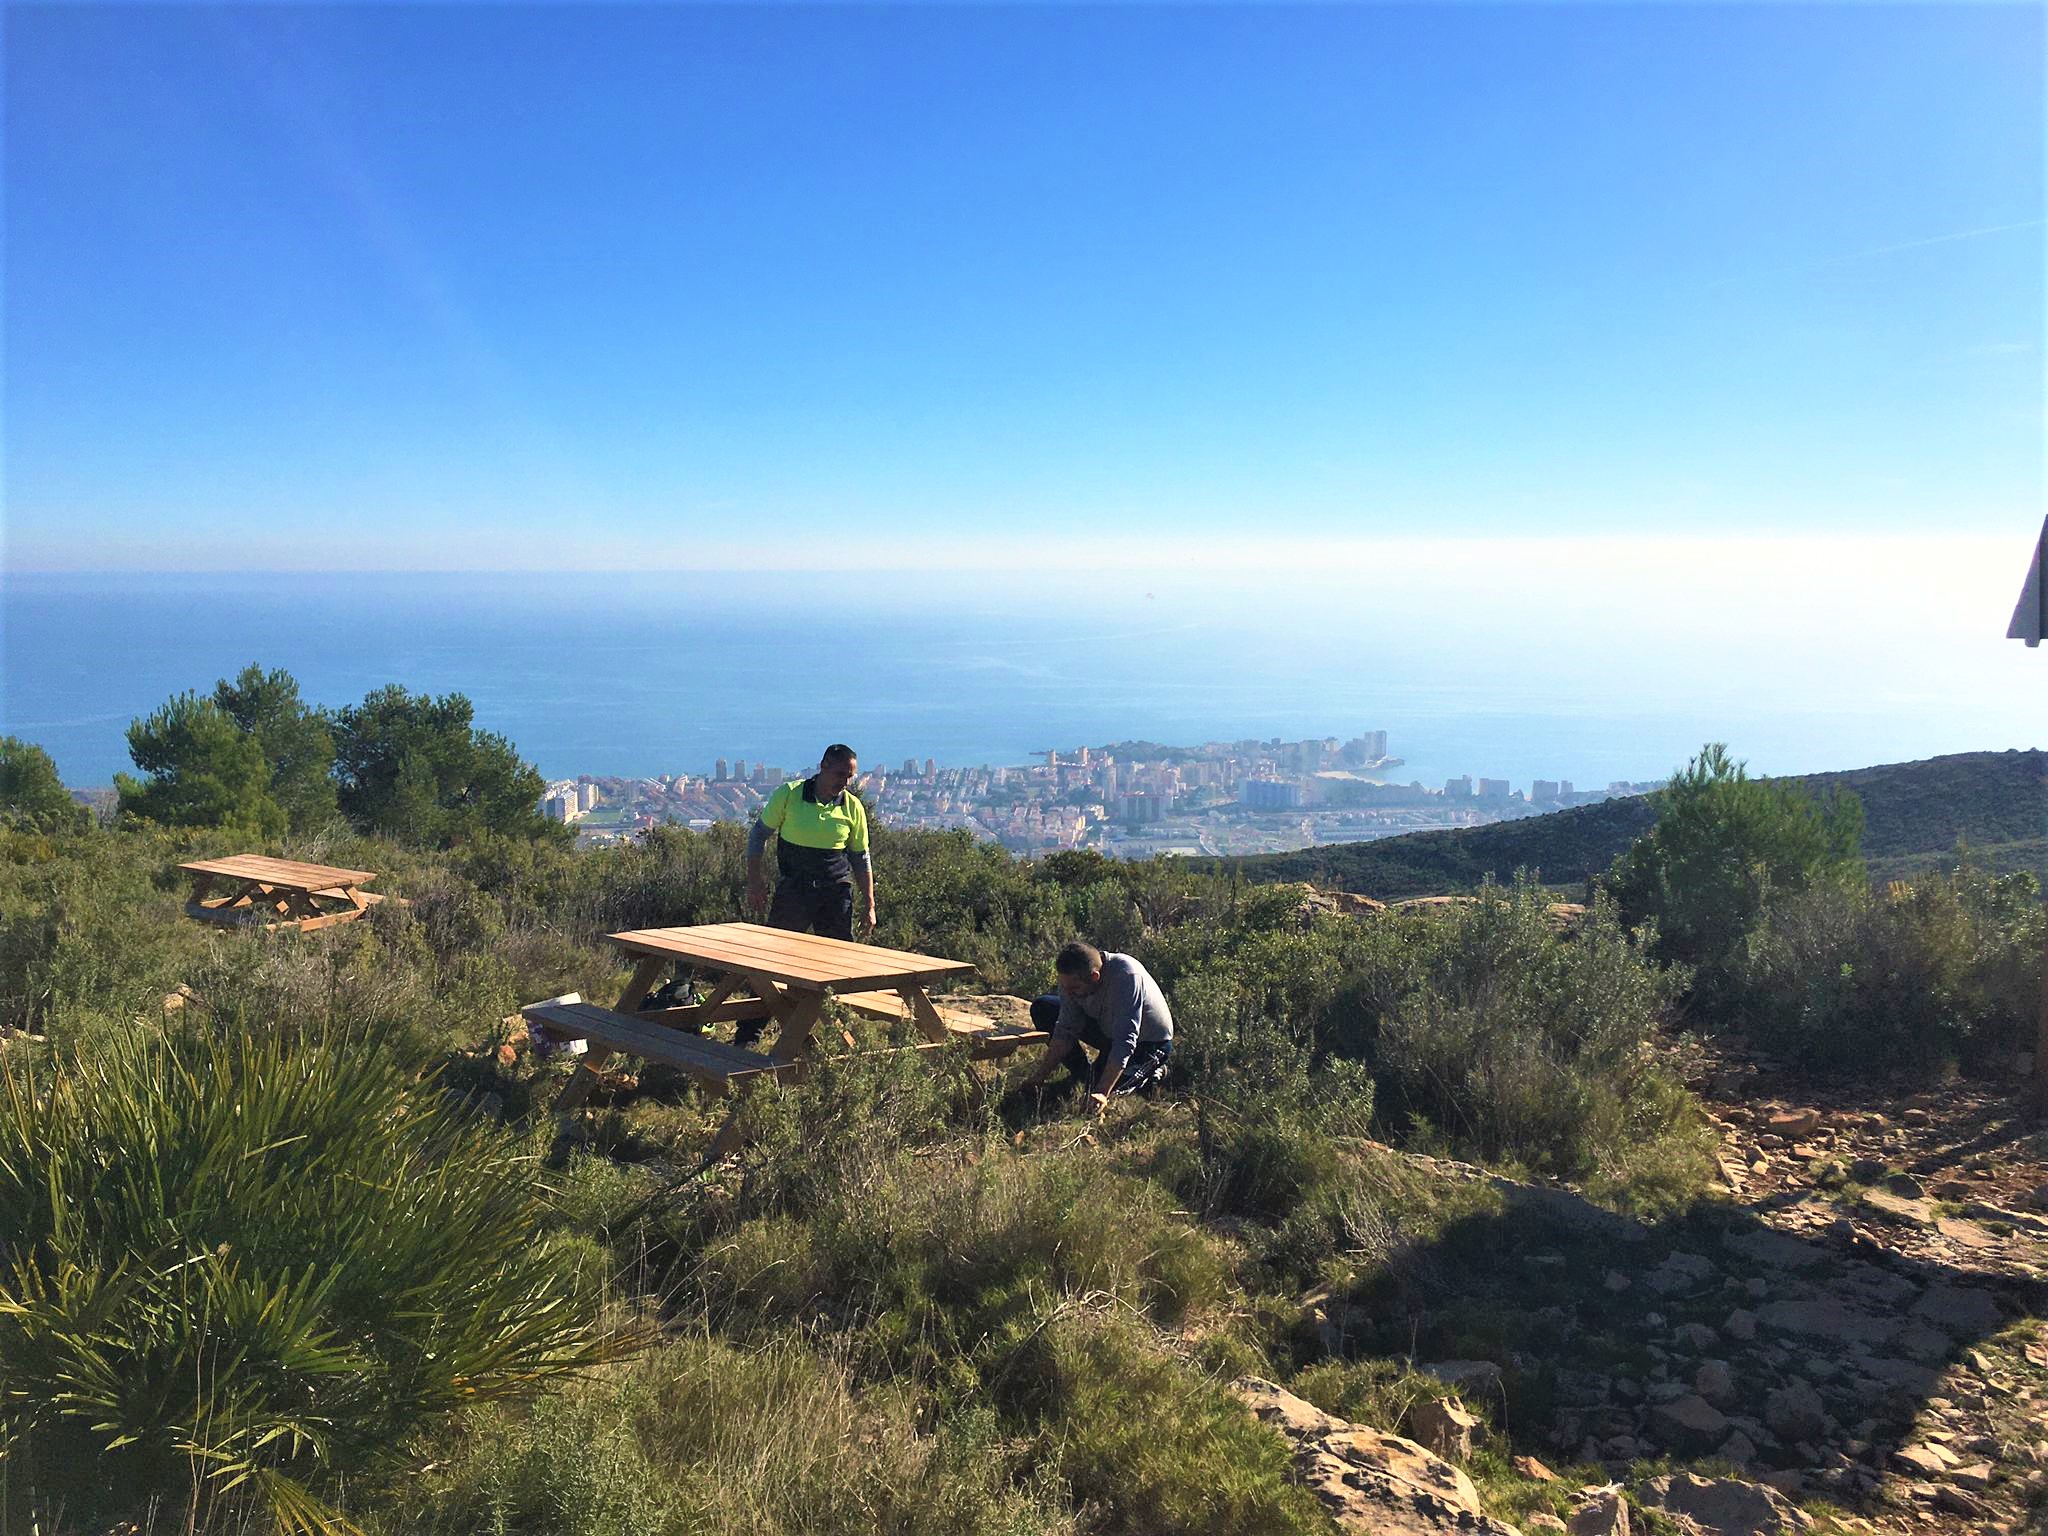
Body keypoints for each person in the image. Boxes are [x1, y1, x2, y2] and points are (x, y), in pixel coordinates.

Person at [1017, 941, 1174, 1116]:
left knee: (1101, 1091)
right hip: (1107, 1030)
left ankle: (1153, 1073)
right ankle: (1083, 1074)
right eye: (1064, 986)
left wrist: (1102, 1091)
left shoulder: (1126, 976)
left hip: (1147, 1042)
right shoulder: (1072, 982)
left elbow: (1126, 1040)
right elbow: (1065, 1030)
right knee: (1044, 1007)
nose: (1067, 993)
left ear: (1094, 977)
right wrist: (1039, 1076)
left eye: (1074, 988)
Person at [746, 743, 876, 944]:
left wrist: (869, 906)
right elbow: (758, 836)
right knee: (777, 953)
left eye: (850, 777)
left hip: (835, 894)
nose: (845, 782)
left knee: (837, 960)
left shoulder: (853, 807)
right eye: (840, 774)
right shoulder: (789, 794)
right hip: (794, 890)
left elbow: (861, 858)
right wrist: (754, 882)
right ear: (824, 766)